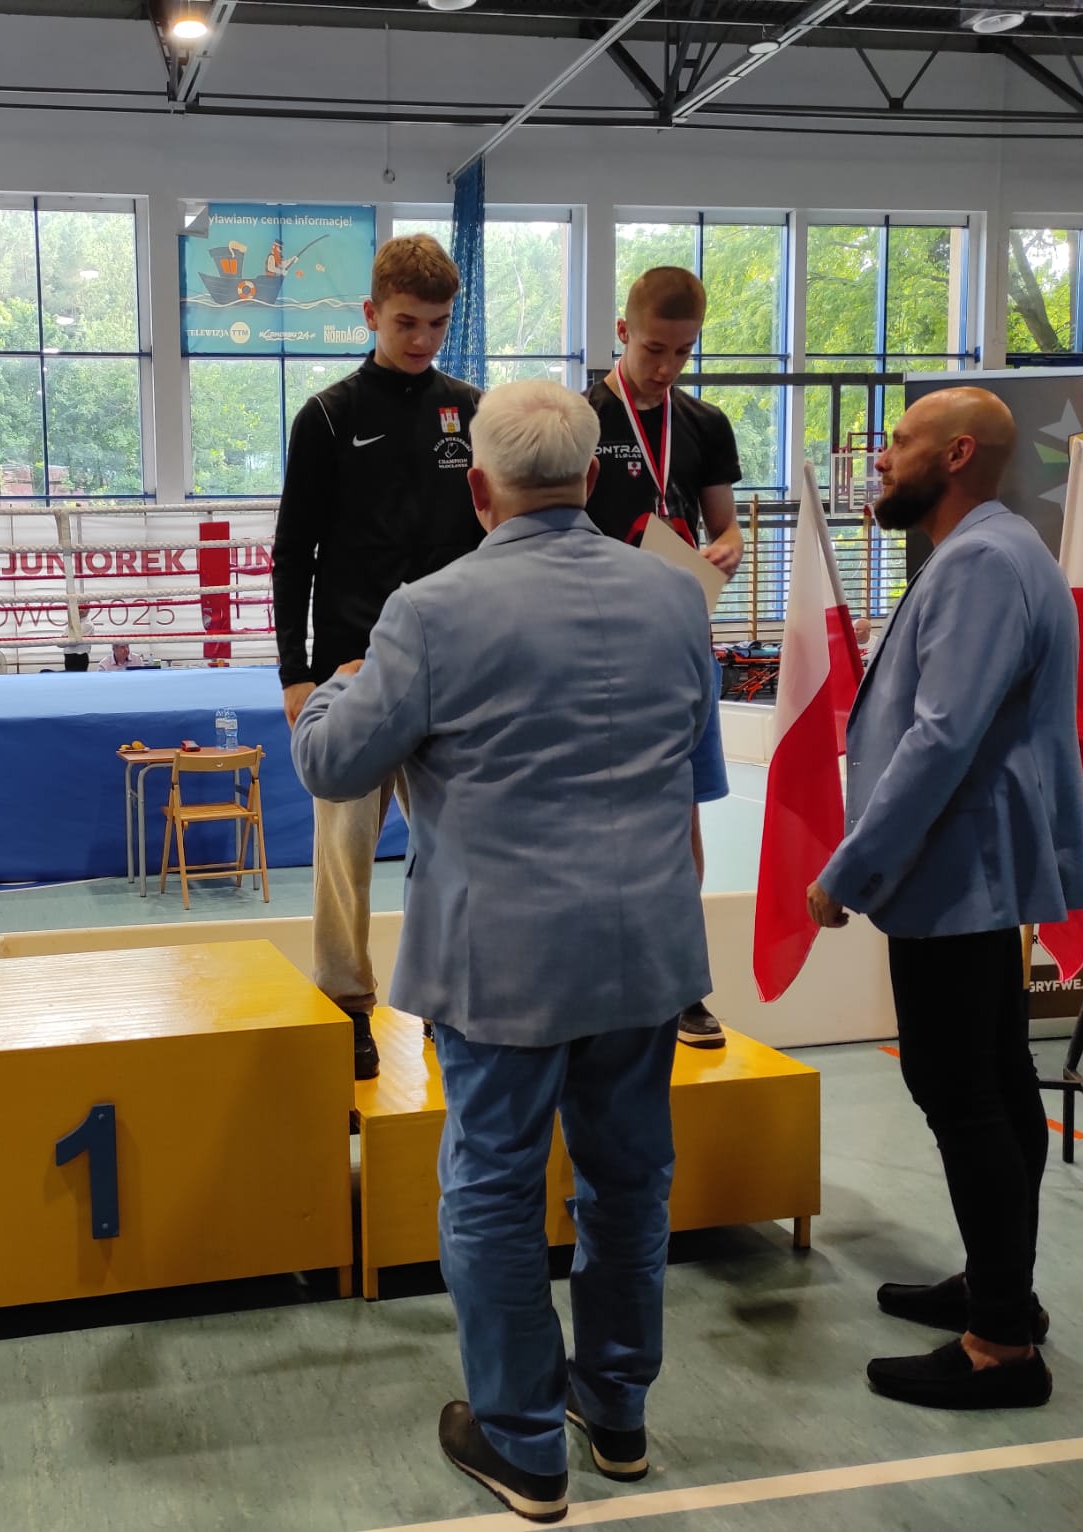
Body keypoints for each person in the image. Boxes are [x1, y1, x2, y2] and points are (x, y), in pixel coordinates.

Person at [294, 381, 715, 1522]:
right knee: (628, 1186)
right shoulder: (675, 597)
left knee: (490, 1190)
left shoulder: (429, 611)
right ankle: (615, 1410)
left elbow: (334, 765)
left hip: (501, 964)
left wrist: (330, 694)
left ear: (477, 488)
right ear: (591, 477)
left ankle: (523, 1439)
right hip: (644, 952)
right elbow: (692, 757)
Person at [807, 387, 1083, 1411]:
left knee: (962, 1092)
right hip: (972, 868)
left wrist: (849, 868)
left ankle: (998, 1345)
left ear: (957, 453)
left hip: (953, 867)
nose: (881, 458)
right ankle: (998, 1287)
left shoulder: (978, 562)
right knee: (996, 1083)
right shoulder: (999, 548)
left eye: (897, 441)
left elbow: (940, 737)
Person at [273, 233, 483, 1081]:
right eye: (406, 323)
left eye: (437, 324)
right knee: (345, 853)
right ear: (370, 314)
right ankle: (346, 1003)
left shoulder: (471, 412)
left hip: (452, 671)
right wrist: (296, 673)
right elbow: (294, 553)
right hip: (352, 671)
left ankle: (443, 998)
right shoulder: (327, 417)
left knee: (454, 849)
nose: (423, 339)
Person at [584, 265, 745, 1052]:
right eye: (654, 349)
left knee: (681, 813)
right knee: (592, 814)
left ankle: (682, 983)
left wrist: (728, 548)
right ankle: (596, 981)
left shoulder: (706, 424)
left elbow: (727, 527)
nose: (667, 367)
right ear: (623, 332)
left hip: (679, 641)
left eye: (684, 352)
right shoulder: (580, 417)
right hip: (595, 647)